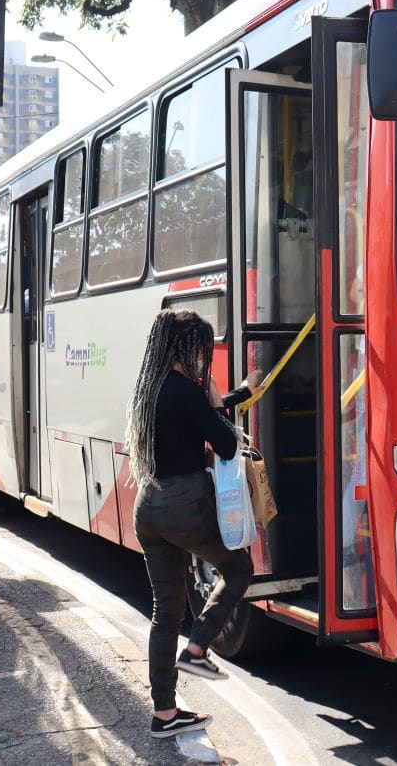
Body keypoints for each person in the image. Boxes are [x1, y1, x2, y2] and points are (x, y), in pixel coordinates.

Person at [124, 309, 263, 740]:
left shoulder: (149, 388)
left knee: (164, 613)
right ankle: (199, 646)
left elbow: (199, 419)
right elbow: (223, 442)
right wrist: (221, 399)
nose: (204, 357)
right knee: (239, 569)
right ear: (186, 347)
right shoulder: (185, 389)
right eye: (201, 348)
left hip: (149, 504)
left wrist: (231, 396)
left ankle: (164, 714)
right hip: (185, 503)